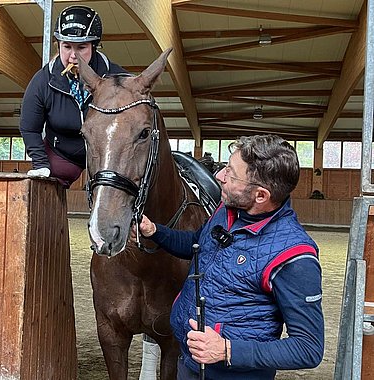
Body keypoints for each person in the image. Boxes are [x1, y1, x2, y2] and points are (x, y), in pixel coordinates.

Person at [131, 134, 324, 380]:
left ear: (261, 196)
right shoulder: (228, 211)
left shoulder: (294, 256)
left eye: (231, 174)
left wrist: (227, 350)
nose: (219, 176)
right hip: (190, 364)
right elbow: (197, 245)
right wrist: (155, 231)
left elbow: (308, 348)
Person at [20, 5, 128, 188]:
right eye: (67, 47)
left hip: (107, 155)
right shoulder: (42, 81)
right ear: (58, 45)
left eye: (81, 47)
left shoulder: (116, 78)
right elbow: (29, 128)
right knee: (43, 189)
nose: (73, 56)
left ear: (94, 46)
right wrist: (40, 163)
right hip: (62, 155)